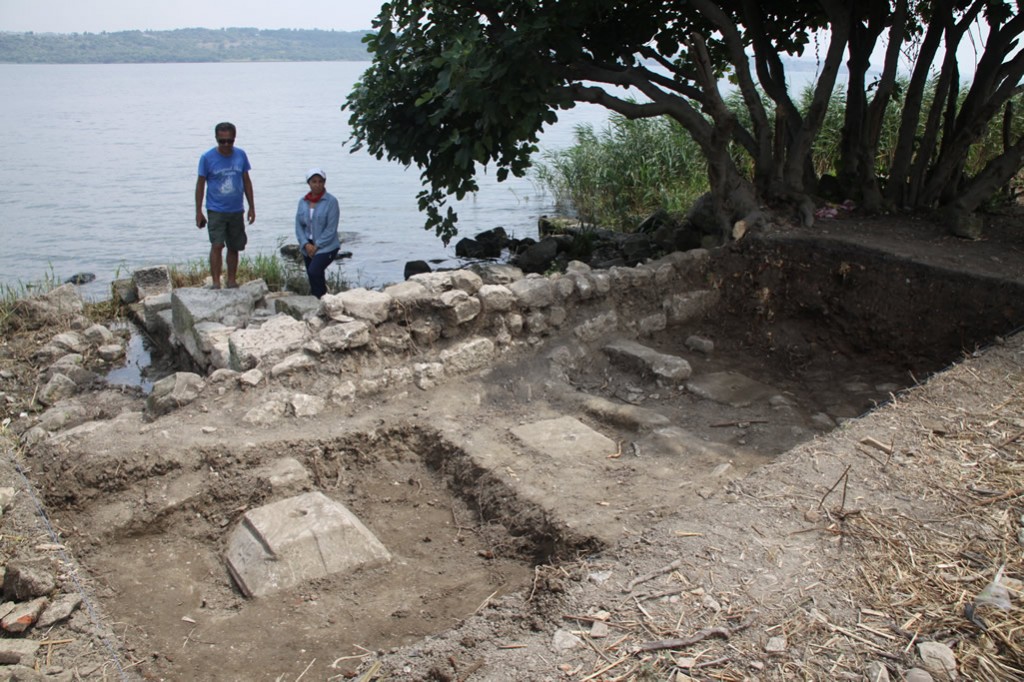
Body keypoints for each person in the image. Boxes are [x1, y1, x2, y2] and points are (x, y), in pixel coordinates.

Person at [195, 122, 255, 289]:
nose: (226, 145)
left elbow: (246, 181)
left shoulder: (241, 155)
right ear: (216, 139)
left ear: (234, 139)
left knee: (234, 246)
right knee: (217, 245)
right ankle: (215, 282)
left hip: (236, 209)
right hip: (216, 209)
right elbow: (200, 185)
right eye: (222, 141)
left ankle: (231, 280)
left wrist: (252, 207)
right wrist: (198, 211)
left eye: (229, 141)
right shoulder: (207, 158)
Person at [295, 168, 341, 299]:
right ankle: (319, 300)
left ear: (324, 183)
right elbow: (298, 225)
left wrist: (317, 245)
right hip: (307, 245)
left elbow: (331, 228)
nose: (317, 184)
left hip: (327, 245)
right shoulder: (303, 202)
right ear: (308, 183)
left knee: (314, 270)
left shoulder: (331, 202)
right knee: (314, 276)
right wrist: (305, 244)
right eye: (314, 181)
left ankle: (323, 299)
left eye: (320, 181)